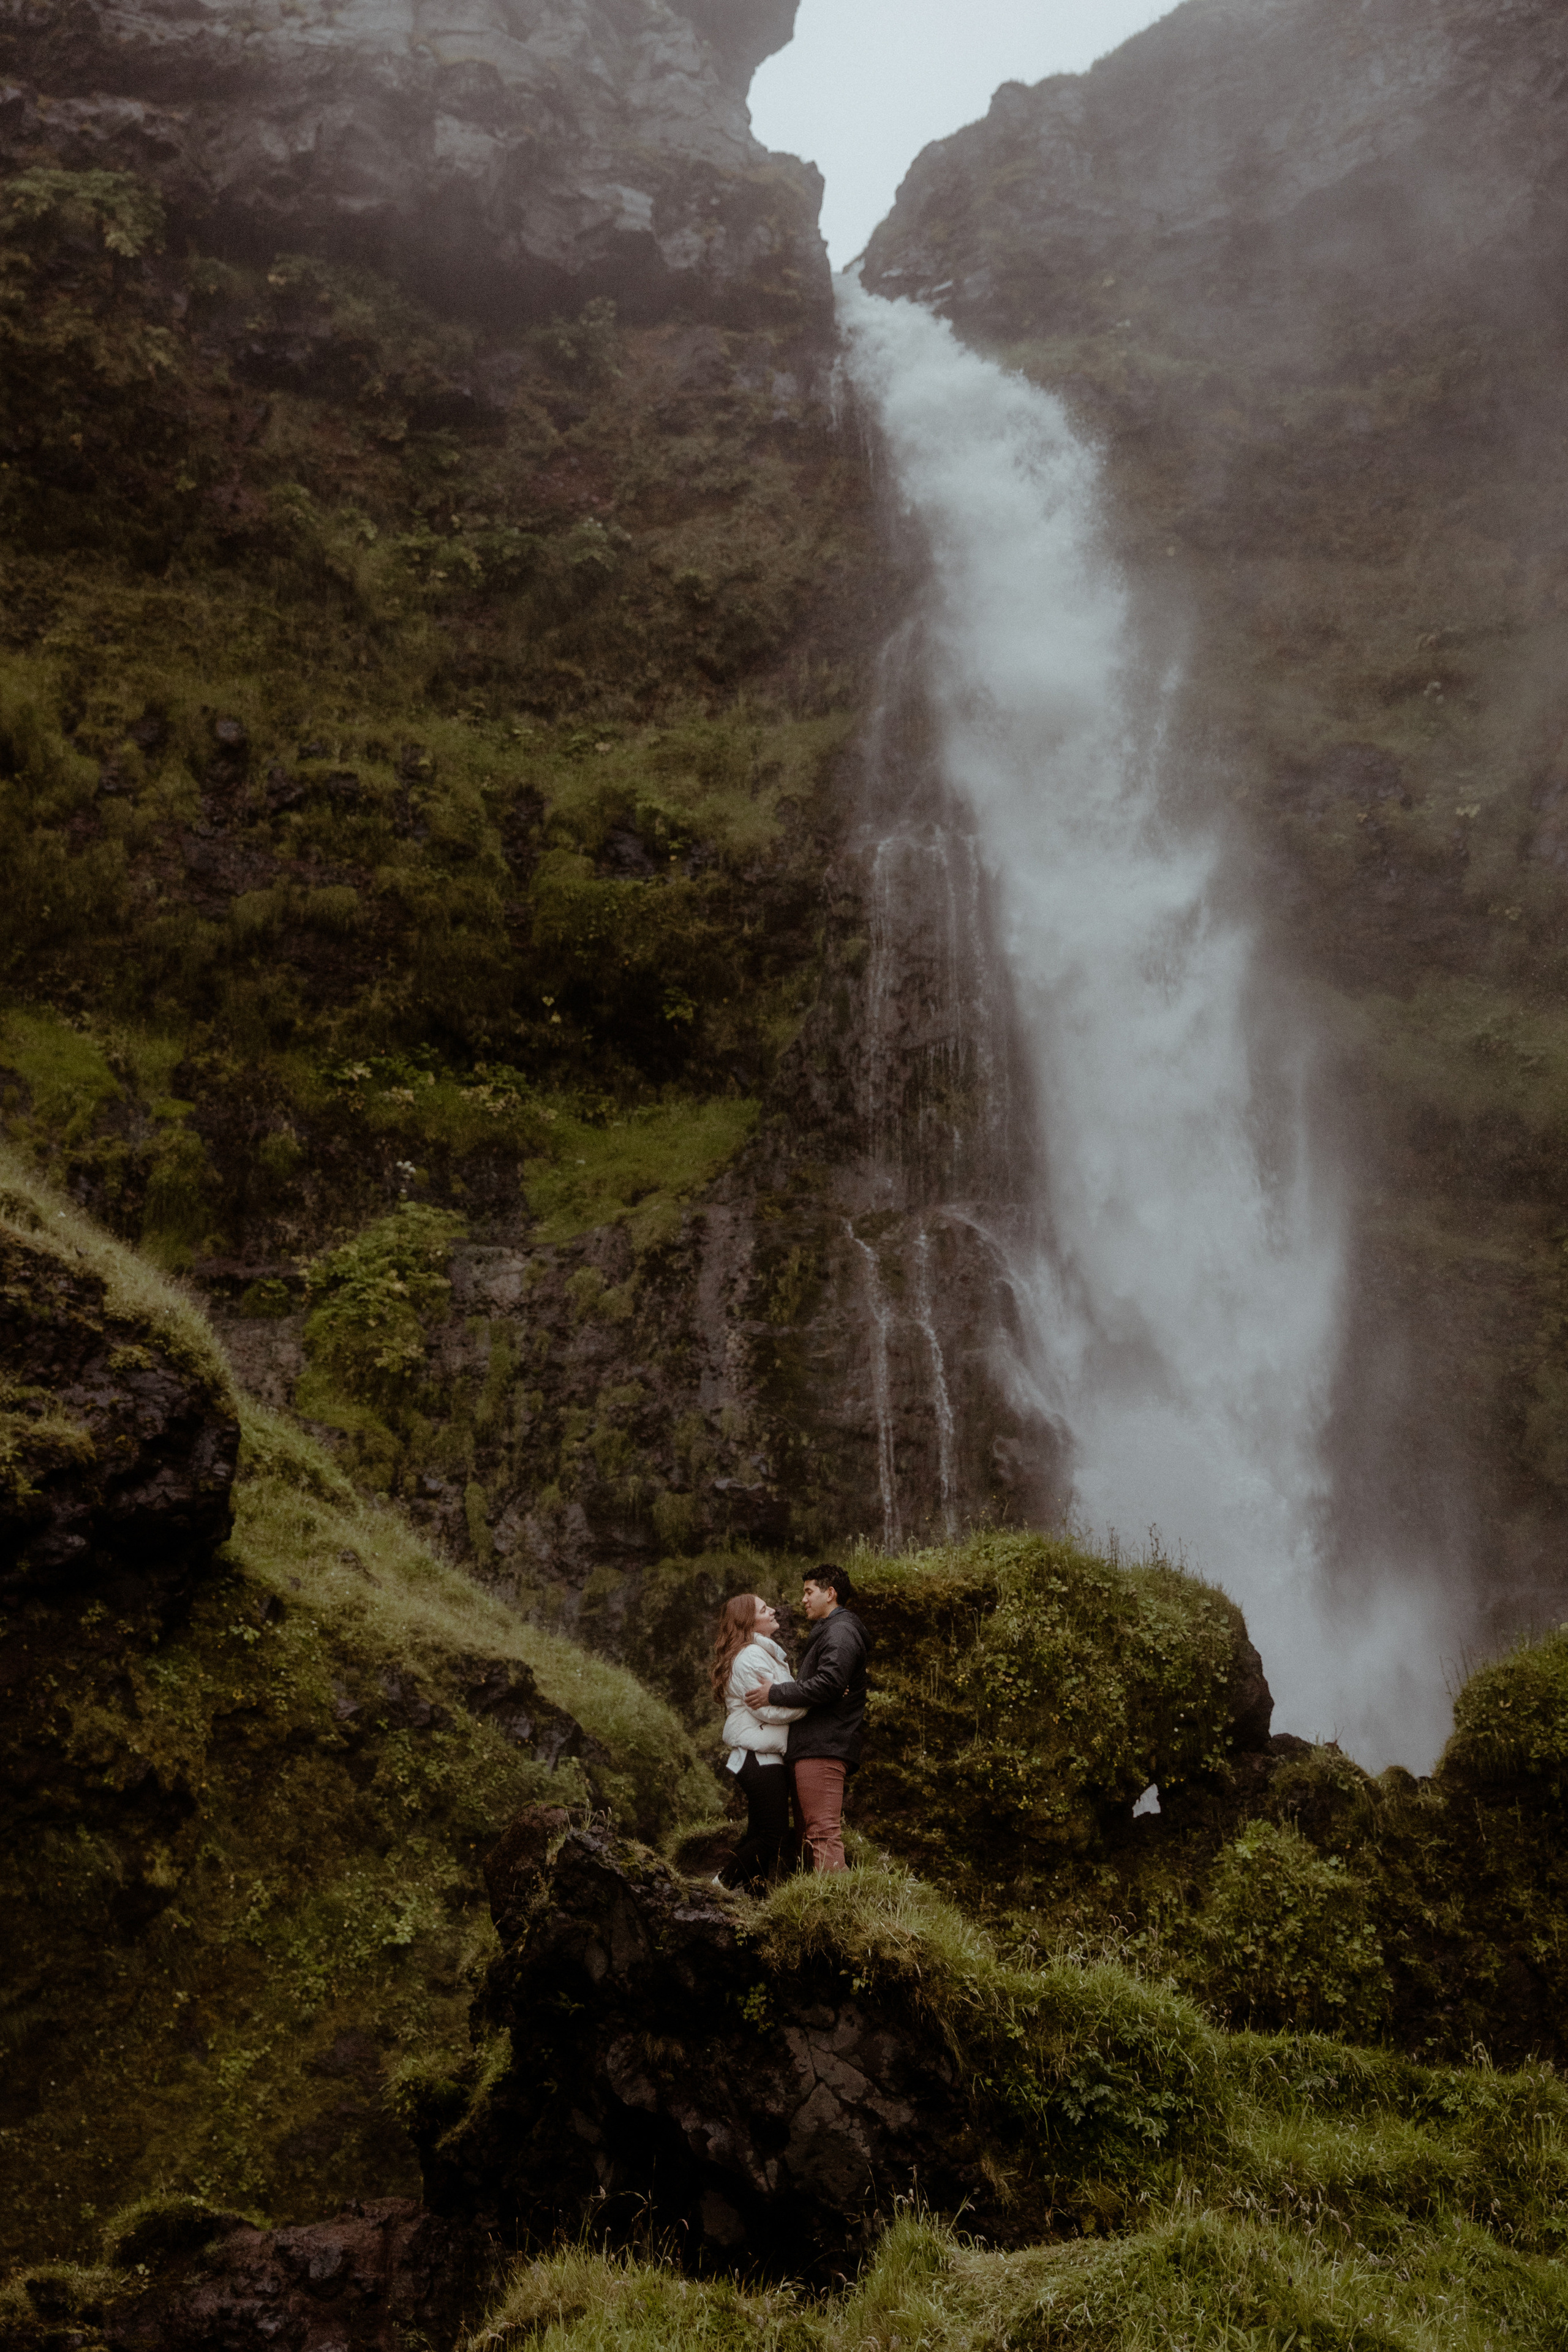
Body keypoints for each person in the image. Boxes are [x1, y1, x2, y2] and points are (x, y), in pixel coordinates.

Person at [745, 1562, 870, 1874]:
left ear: (830, 1594)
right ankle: (816, 1906)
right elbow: (830, 1684)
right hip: (814, 1746)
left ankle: (841, 1911)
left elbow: (830, 1683)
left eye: (809, 1591)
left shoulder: (841, 1631)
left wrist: (775, 1693)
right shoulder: (832, 1630)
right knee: (809, 1835)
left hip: (823, 1746)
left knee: (823, 1833)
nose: (803, 1599)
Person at [711, 1593, 805, 1890]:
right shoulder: (750, 1656)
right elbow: (770, 1709)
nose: (774, 1611)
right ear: (749, 1622)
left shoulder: (759, 1652)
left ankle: (756, 1897)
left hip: (761, 1755)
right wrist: (814, 1699)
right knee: (773, 1835)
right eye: (765, 1609)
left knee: (758, 1833)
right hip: (759, 1758)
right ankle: (719, 1885)